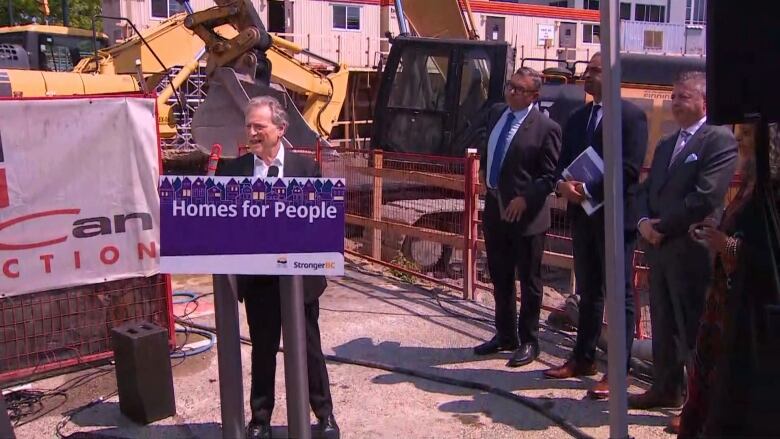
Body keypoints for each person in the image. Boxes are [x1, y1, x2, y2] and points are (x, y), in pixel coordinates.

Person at [216, 96, 339, 439]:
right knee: (263, 350)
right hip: (259, 281)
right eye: (249, 126)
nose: (252, 132)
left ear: (281, 129)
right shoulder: (234, 171)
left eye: (259, 126)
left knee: (309, 349)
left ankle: (324, 414)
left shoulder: (305, 170)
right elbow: (224, 226)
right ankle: (260, 419)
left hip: (299, 279)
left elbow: (319, 224)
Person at [629, 71, 738, 410]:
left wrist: (663, 227)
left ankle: (699, 404)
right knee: (663, 322)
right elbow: (647, 190)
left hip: (691, 248)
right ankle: (665, 388)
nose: (676, 103)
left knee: (693, 328)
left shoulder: (718, 139)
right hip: (661, 251)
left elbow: (705, 197)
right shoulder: (666, 144)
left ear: (704, 101)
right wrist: (644, 221)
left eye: (684, 97)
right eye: (673, 97)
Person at [543, 52, 649, 400]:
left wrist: (588, 189)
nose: (587, 76)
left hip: (616, 219)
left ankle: (617, 371)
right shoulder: (577, 118)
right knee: (589, 292)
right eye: (586, 71)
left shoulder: (631, 117)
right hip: (582, 217)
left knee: (620, 294)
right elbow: (562, 162)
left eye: (595, 71)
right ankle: (583, 358)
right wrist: (563, 186)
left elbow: (629, 169)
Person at [472, 67, 562, 368]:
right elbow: (490, 146)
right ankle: (505, 334)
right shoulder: (498, 113)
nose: (511, 92)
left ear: (534, 96)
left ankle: (529, 340)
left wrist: (525, 199)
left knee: (529, 281)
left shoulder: (546, 128)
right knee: (500, 276)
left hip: (527, 218)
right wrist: (486, 170)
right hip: (496, 209)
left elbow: (549, 176)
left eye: (519, 89)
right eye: (510, 86)